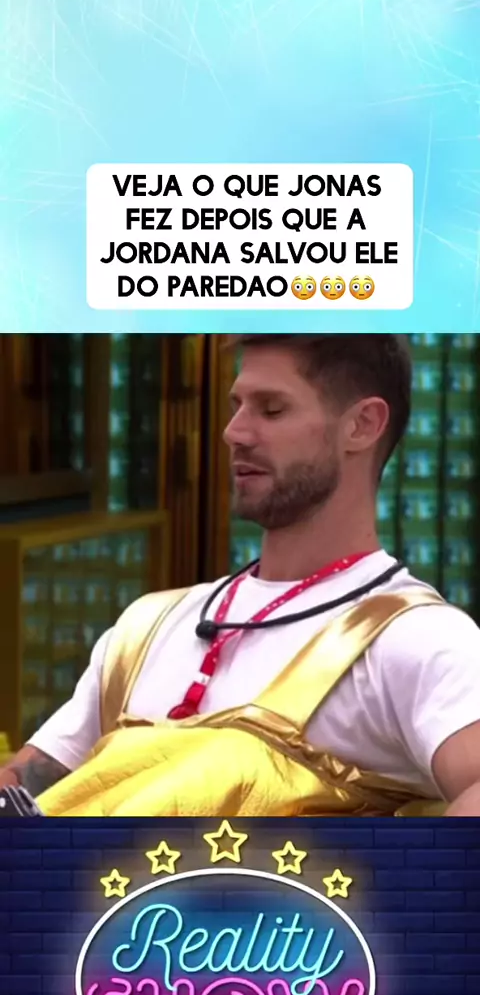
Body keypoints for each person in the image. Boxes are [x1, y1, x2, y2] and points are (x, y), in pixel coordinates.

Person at [1, 333, 480, 816]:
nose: (235, 432)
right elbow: (28, 784)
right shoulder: (149, 626)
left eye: (271, 410)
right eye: (237, 406)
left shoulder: (416, 637)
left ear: (362, 425)